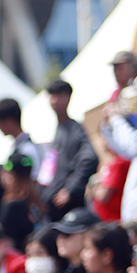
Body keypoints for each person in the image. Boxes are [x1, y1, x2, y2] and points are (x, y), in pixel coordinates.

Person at [42, 80, 98, 216]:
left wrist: (69, 190)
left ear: (68, 98)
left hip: (69, 206)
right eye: (52, 96)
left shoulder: (75, 130)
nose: (54, 101)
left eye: (59, 96)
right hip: (53, 204)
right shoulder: (59, 129)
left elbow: (89, 159)